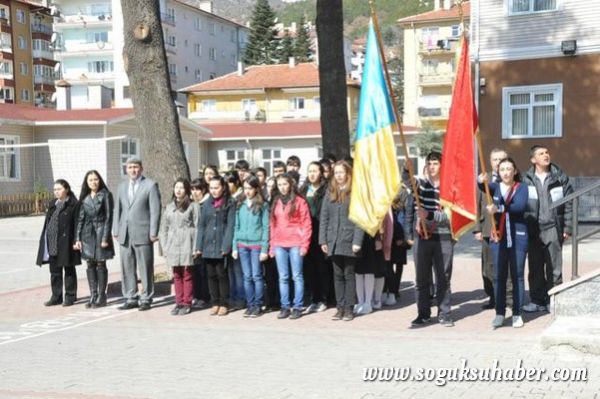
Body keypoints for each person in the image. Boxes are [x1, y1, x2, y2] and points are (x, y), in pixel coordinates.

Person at [403, 152, 455, 327]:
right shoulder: (422, 183)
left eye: (435, 163)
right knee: (421, 278)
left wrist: (430, 214)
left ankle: (444, 313)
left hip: (444, 237)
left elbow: (450, 216)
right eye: (429, 163)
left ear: (442, 165)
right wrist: (406, 170)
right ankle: (423, 313)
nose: (432, 167)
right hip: (423, 236)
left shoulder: (450, 188)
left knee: (443, 277)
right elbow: (409, 182)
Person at [478, 158, 529, 328]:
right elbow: (482, 187)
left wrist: (499, 209)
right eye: (502, 169)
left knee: (517, 275)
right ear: (498, 172)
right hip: (498, 238)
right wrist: (480, 180)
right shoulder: (495, 187)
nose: (506, 172)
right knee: (499, 276)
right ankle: (500, 313)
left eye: (509, 169)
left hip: (518, 237)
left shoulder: (521, 187)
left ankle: (517, 313)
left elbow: (519, 207)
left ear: (515, 171)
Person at [522, 145, 573, 313]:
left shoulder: (559, 177)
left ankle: (554, 299)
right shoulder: (526, 179)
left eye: (546, 152)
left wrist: (567, 226)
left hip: (553, 227)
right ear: (533, 159)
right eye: (541, 153)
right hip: (533, 229)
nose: (545, 155)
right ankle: (537, 300)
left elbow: (569, 203)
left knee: (554, 266)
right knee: (535, 267)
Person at [112, 157, 161, 311]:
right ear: (126, 169)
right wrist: (115, 229)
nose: (133, 170)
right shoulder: (121, 186)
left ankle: (146, 297)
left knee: (145, 266)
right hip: (125, 234)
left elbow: (155, 210)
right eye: (130, 167)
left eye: (136, 167)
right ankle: (130, 296)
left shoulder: (150, 185)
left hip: (143, 233)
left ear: (141, 168)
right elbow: (117, 210)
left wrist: (153, 231)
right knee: (127, 266)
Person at [319, 160, 364, 321]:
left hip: (349, 238)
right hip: (333, 239)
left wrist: (357, 240)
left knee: (349, 274)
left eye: (341, 172)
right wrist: (323, 240)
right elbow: (324, 216)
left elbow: (360, 219)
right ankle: (340, 307)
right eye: (336, 172)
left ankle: (349, 308)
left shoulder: (355, 192)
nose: (338, 175)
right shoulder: (330, 191)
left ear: (348, 173)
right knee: (337, 274)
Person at [473, 148, 513, 310]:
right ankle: (493, 297)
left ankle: (509, 299)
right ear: (490, 162)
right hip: (487, 229)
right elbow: (477, 204)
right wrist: (477, 229)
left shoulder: (512, 178)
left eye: (501, 159)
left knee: (507, 266)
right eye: (495, 160)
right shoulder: (484, 179)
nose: (498, 163)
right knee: (488, 267)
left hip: (506, 229)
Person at [269, 173, 312, 320]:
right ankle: (285, 306)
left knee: (297, 276)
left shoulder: (300, 201)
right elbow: (273, 225)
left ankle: (298, 306)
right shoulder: (276, 201)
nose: (282, 187)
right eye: (280, 184)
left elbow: (307, 224)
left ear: (291, 185)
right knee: (283, 277)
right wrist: (272, 246)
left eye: (285, 184)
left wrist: (304, 245)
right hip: (280, 244)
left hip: (295, 243)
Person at [195, 176, 236, 316]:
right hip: (207, 245)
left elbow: (231, 226)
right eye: (211, 188)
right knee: (210, 275)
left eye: (216, 187)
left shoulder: (230, 203)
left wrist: (226, 245)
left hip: (221, 244)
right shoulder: (206, 204)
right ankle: (215, 302)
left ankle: (224, 303)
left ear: (223, 187)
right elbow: (201, 226)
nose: (214, 190)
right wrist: (198, 245)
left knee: (221, 275)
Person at [36, 179, 81, 306]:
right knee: (54, 271)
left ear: (66, 189)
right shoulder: (52, 204)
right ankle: (56, 296)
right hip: (52, 242)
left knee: (69, 269)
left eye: (59, 189)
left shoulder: (73, 204)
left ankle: (70, 296)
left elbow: (77, 223)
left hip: (66, 242)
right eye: (55, 189)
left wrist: (77, 240)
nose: (56, 192)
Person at [159, 178, 200, 316]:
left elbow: (198, 226)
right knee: (176, 274)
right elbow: (163, 229)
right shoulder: (169, 207)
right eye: (176, 187)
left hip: (187, 242)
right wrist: (164, 247)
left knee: (187, 274)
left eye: (181, 187)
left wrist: (196, 247)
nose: (178, 190)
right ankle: (178, 302)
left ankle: (187, 302)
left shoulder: (193, 206)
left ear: (186, 190)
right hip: (173, 244)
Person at [75, 170, 115, 308]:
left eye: (96, 179)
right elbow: (80, 219)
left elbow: (109, 217)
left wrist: (105, 237)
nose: (93, 182)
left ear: (100, 180)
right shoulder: (85, 197)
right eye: (90, 180)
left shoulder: (106, 195)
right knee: (90, 263)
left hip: (100, 231)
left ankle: (102, 295)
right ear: (87, 182)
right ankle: (93, 294)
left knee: (100, 263)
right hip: (87, 234)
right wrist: (77, 239)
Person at [232, 175, 270, 318]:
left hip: (256, 245)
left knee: (256, 275)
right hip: (242, 244)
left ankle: (258, 304)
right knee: (246, 276)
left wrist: (264, 248)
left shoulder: (263, 205)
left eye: (250, 188)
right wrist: (234, 246)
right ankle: (250, 303)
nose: (247, 191)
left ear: (256, 189)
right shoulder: (240, 204)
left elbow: (266, 227)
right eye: (245, 188)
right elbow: (236, 226)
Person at [300, 161, 331, 313]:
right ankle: (314, 298)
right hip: (307, 235)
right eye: (309, 171)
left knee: (323, 268)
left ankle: (324, 298)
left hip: (321, 233)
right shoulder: (303, 189)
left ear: (321, 173)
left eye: (315, 171)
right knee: (309, 269)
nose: (312, 174)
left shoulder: (327, 190)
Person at [382, 187, 412, 306]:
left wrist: (405, 238)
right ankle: (390, 289)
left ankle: (394, 290)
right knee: (389, 266)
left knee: (397, 266)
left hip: (399, 239)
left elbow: (406, 220)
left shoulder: (403, 195)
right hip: (391, 238)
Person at [224, 170, 245, 310]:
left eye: (230, 182)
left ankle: (241, 298)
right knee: (230, 271)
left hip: (239, 239)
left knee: (238, 271)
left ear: (237, 182)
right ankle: (232, 296)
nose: (227, 185)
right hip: (227, 239)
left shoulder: (242, 197)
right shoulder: (227, 197)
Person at [190, 178, 210, 308]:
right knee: (195, 271)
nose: (195, 192)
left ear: (203, 190)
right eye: (192, 189)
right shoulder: (192, 205)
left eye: (198, 189)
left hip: (205, 243)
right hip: (193, 243)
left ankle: (204, 297)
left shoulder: (207, 204)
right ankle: (196, 296)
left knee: (204, 272)